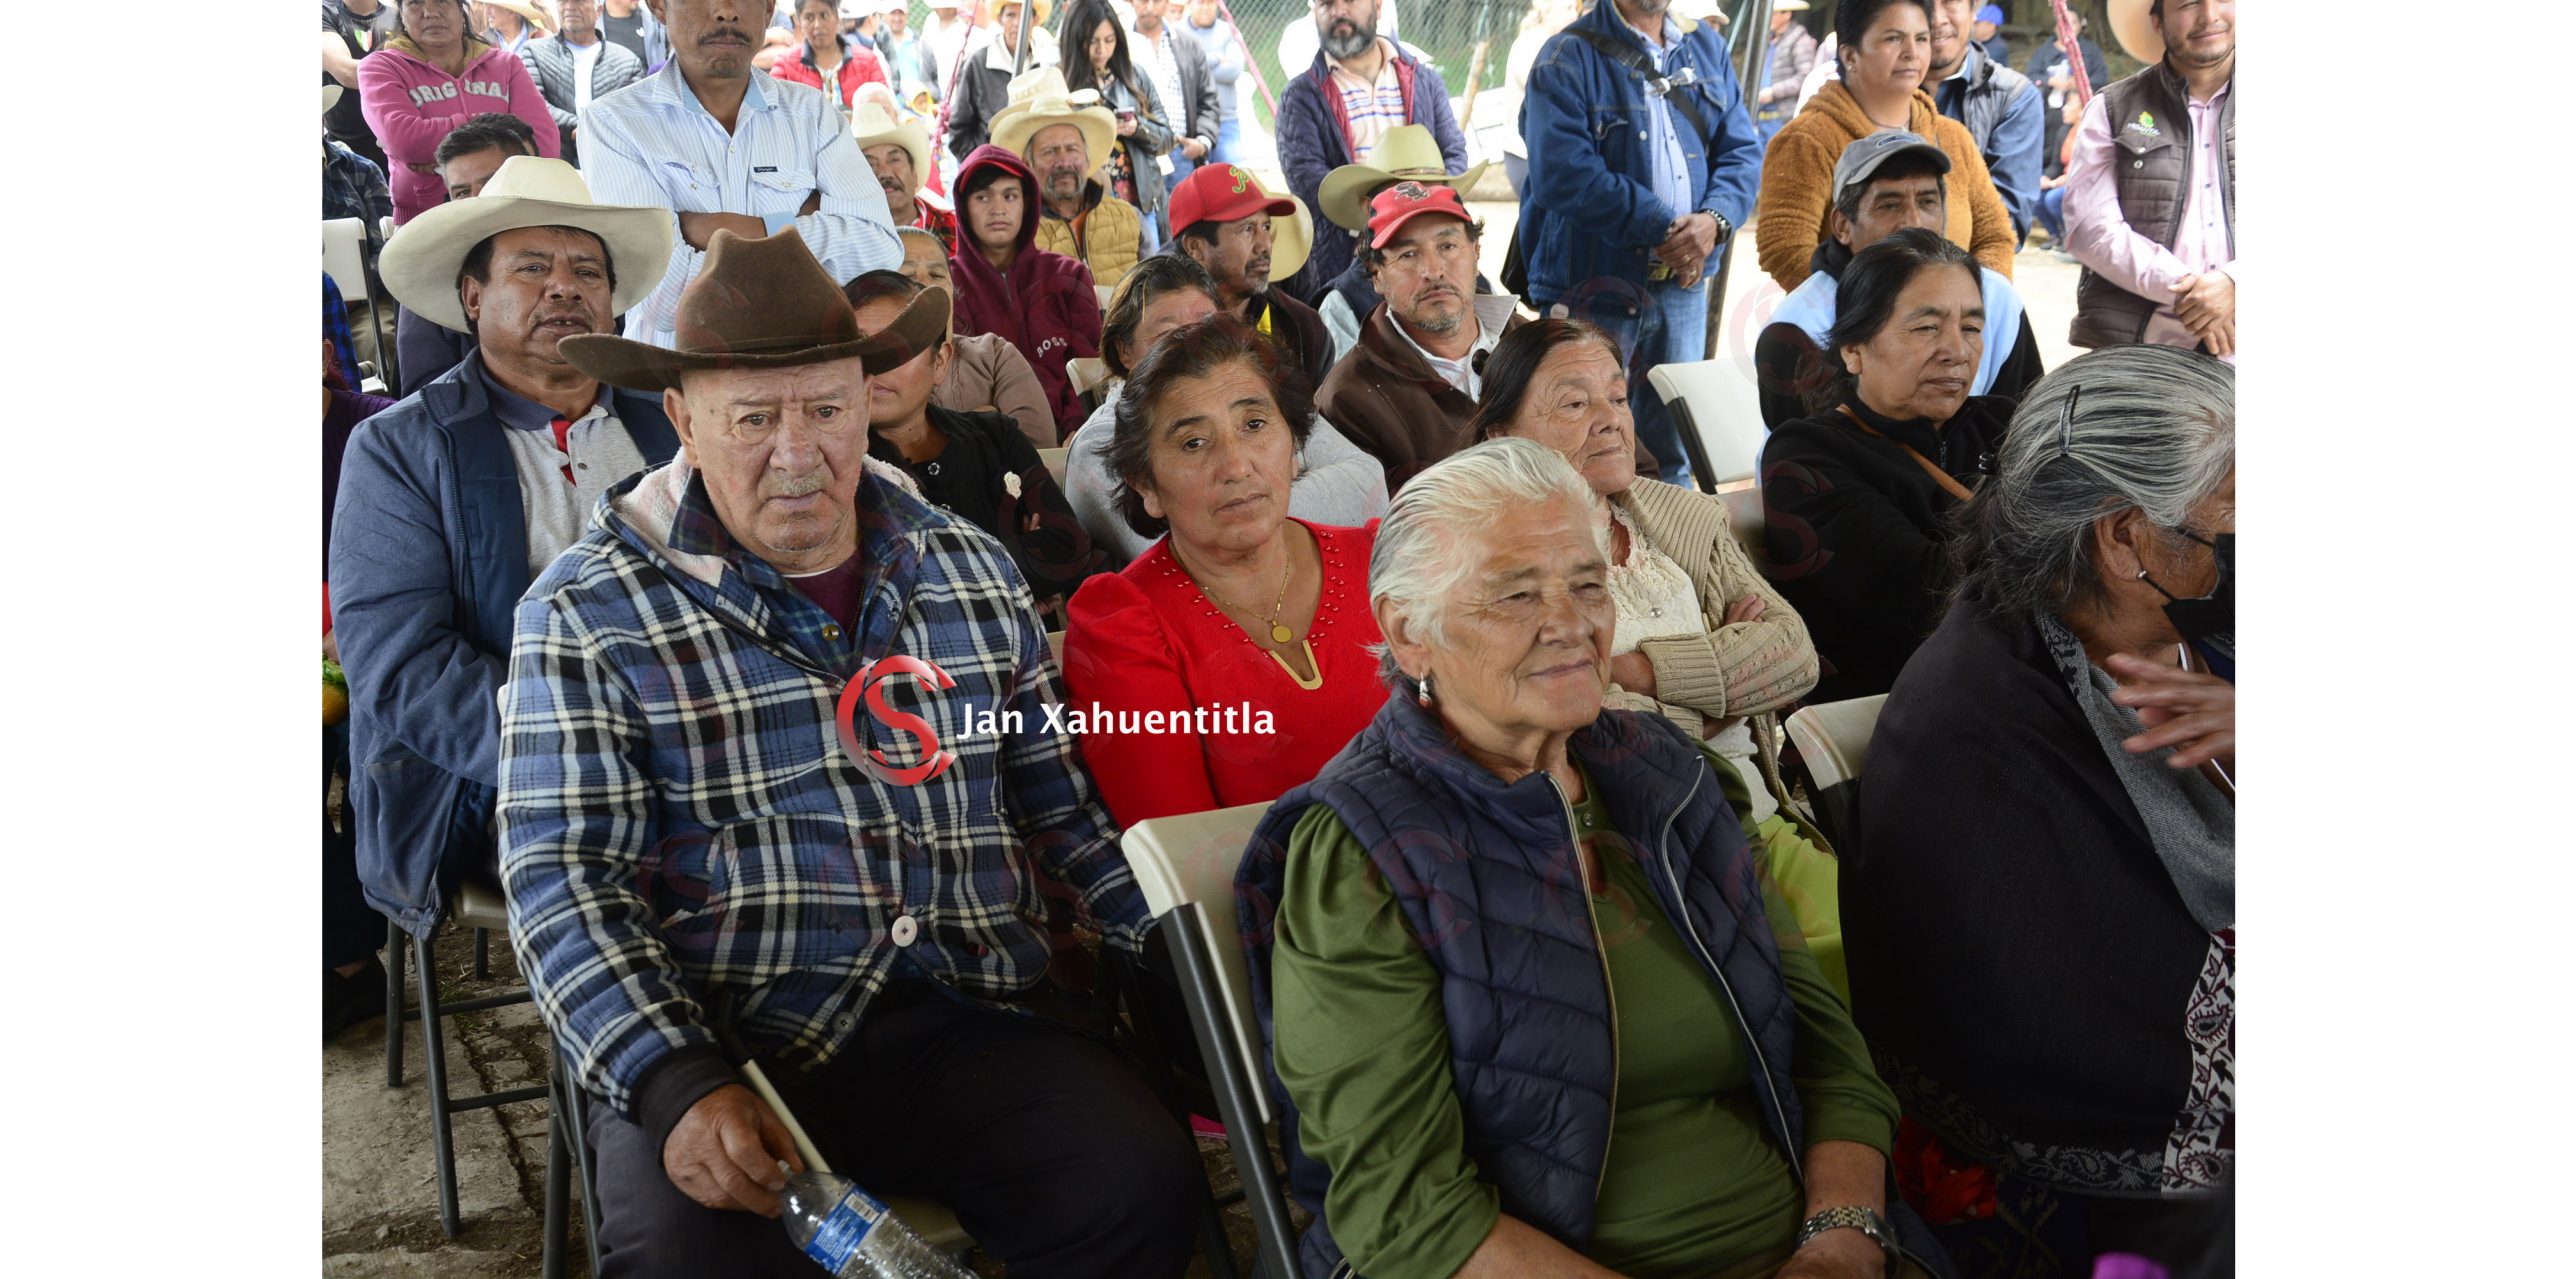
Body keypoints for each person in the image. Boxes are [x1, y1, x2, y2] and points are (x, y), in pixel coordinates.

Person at [495, 225, 1202, 1278]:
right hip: (730, 1037)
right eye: (753, 418)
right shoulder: (589, 610)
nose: (798, 451)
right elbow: (562, 884)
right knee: (696, 1263)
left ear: (864, 399)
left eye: (826, 409)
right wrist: (674, 1081)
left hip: (970, 1011)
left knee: (1137, 1187)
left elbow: (1058, 805)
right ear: (682, 419)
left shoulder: (962, 564)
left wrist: (1186, 950)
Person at [1235, 437, 1930, 1279]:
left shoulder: (1671, 778)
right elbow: (1406, 1213)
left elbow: (1826, 1045)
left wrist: (1842, 1237)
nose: (1570, 624)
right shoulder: (1363, 849)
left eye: (1588, 585)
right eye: (1515, 593)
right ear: (1408, 630)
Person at [1848, 345, 2232, 1278]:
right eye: (2234, 515)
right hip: (2114, 1173)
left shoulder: (2202, 624)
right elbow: (2083, 1014)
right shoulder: (1979, 725)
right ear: (2126, 537)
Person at [333, 156, 678, 950]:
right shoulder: (399, 447)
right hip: (503, 777)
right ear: (473, 295)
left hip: (692, 737)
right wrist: (585, 749)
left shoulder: (669, 421)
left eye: (587, 270)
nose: (566, 287)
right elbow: (400, 664)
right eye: (533, 268)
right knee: (677, 882)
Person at [1473, 319, 1819, 830]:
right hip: (1627, 852)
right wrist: (1717, 711)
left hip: (1753, 817)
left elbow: (1794, 655)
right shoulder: (1495, 560)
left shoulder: (1682, 518)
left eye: (1617, 398)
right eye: (1574, 404)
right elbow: (1589, 736)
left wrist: (1632, 670)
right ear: (1503, 434)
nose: (1610, 420)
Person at [1065, 315, 1388, 827]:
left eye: (1254, 425)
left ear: (1294, 448)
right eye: (1194, 443)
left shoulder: (1378, 561)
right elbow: (1186, 849)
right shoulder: (1122, 625)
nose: (1236, 466)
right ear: (1145, 484)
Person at [1521, 0, 1764, 492]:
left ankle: (1673, 562)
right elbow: (1562, 172)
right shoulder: (1563, 56)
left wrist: (1713, 223)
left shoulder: (1706, 47)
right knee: (1577, 446)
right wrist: (1664, 229)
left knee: (1674, 450)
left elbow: (1742, 152)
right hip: (1593, 285)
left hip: (1682, 288)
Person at [1761, 229, 2011, 702]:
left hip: (2011, 689)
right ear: (1853, 350)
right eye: (1926, 328)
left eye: (1971, 328)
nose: (1957, 351)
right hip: (1902, 714)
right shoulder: (1805, 457)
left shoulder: (2001, 423)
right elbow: (1928, 598)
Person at [580, 0, 905, 349]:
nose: (726, 11)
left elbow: (879, 249)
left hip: (801, 386)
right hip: (671, 390)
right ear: (659, 6)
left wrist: (729, 229)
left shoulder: (813, 115)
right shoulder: (614, 124)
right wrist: (801, 226)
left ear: (768, 7)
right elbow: (665, 299)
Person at [1066, 255, 1387, 562]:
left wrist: (1232, 514)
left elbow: (1367, 485)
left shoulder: (1262, 399)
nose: (1193, 346)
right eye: (1168, 335)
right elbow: (1177, 549)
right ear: (1124, 352)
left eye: (1209, 327)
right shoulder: (1098, 444)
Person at [847, 269, 1109, 613]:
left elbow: (1068, 551)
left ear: (939, 362)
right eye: (860, 345)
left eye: (897, 345)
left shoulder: (995, 436)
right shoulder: (843, 462)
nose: (875, 365)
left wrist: (932, 574)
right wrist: (1014, 570)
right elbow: (864, 589)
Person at [1757, 132, 2041, 430]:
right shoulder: (1799, 327)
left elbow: (2026, 428)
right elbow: (1814, 459)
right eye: (1889, 205)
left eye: (1927, 201)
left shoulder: (1995, 299)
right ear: (1842, 226)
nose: (1914, 221)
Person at [1756, 0, 2012, 291]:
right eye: (1893, 38)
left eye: (1921, 39)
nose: (1912, 53)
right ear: (1850, 54)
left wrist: (1969, 308)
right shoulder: (1807, 140)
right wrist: (1874, 316)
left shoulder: (1954, 137)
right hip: (1850, 330)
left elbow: (1994, 237)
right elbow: (1784, 248)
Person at [1315, 183, 1541, 495]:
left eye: (1447, 246)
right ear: (1376, 275)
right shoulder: (1349, 398)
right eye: (1408, 254)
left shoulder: (1540, 348)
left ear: (1476, 253)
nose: (1433, 271)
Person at [2063, 0, 2235, 360]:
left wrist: (2236, 283)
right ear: (2157, 20)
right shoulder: (2114, 108)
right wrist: (2192, 294)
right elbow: (2090, 227)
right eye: (2188, 3)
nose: (2209, 15)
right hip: (2140, 353)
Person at [1275, 0, 1468, 309]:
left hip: (1429, 250)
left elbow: (1454, 153)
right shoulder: (1300, 97)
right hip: (1347, 260)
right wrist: (1384, 219)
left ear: (1378, 6)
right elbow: (1308, 181)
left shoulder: (1424, 80)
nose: (1338, 11)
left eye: (1349, 1)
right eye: (1326, 4)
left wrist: (1422, 213)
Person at [948, 144, 1104, 435]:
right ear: (964, 209)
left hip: (1076, 437)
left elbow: (1091, 363)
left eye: (1010, 196)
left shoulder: (1068, 274)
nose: (998, 209)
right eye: (982, 197)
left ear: (1026, 204)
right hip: (988, 442)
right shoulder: (947, 282)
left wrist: (1077, 428)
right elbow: (956, 382)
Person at [361, 0, 561, 223]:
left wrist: (445, 153)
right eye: (415, 3)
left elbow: (545, 144)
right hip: (425, 220)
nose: (430, 12)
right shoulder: (380, 67)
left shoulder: (506, 65)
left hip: (513, 212)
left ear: (461, 9)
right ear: (402, 13)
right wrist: (507, 130)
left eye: (442, 1)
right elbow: (404, 139)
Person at [1308, 124, 1488, 365]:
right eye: (1403, 193)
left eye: (1431, 194)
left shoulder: (1478, 284)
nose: (1434, 270)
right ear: (1367, 207)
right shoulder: (1343, 304)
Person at [396, 114, 543, 394]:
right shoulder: (429, 275)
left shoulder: (582, 251)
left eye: (490, 185)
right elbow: (424, 392)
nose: (477, 201)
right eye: (462, 193)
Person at [1170, 164, 1333, 390]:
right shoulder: (1163, 332)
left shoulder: (1303, 328)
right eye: (1247, 229)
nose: (1265, 244)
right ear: (1196, 248)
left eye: (1266, 227)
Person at [898, 227, 1062, 444]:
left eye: (937, 275)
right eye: (906, 276)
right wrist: (987, 421)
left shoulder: (996, 355)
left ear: (953, 288)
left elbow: (1037, 448)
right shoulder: (874, 372)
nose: (926, 285)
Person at [991, 67, 1149, 287]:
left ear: (1086, 157)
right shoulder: (1015, 235)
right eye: (1049, 151)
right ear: (1027, 164)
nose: (1063, 162)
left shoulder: (1130, 218)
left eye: (1072, 149)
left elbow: (1155, 297)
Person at [1057, 0, 1175, 249]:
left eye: (1109, 40)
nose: (1102, 49)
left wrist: (1137, 128)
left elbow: (1167, 138)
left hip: (1140, 200)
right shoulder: (1059, 84)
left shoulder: (1134, 77)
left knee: (1150, 278)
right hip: (1088, 206)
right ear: (1075, 39)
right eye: (1093, 41)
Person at [1922, 0, 2040, 244]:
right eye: (1921, 2)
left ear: (1973, 8)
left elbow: (2006, 224)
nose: (1936, 18)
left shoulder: (2012, 97)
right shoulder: (1873, 87)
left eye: (1950, 2)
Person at [324, 85, 403, 380]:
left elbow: (384, 251)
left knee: (379, 337)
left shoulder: (361, 171)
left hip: (361, 304)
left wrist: (351, 294)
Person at [522, 0, 646, 165]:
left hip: (610, 158)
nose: (570, 7)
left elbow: (631, 112)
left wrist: (593, 130)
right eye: (563, 1)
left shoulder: (626, 61)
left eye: (579, 1)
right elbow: (534, 104)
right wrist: (576, 127)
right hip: (555, 157)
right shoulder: (534, 51)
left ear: (599, 10)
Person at [945, 0, 1059, 163]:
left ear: (1035, 20)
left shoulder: (1044, 64)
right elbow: (959, 129)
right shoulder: (978, 63)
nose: (1017, 23)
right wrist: (980, 166)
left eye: (1024, 15)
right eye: (1011, 15)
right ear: (1000, 19)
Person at [1125, 0, 1220, 192]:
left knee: (1185, 219)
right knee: (1145, 221)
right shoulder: (1120, 46)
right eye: (1143, 0)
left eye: (1157, 1)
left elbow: (1207, 99)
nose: (1150, 7)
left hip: (1182, 151)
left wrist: (1202, 142)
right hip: (1137, 154)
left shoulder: (1188, 46)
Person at [851, 98, 961, 249]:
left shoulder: (955, 230)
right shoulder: (847, 243)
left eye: (894, 160)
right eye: (870, 165)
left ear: (914, 174)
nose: (885, 173)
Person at [768, 0, 891, 106]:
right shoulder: (785, 65)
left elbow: (886, 110)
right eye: (809, 17)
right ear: (799, 21)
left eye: (824, 15)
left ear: (837, 17)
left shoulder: (868, 62)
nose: (818, 25)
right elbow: (773, 111)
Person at [325, 0, 400, 172]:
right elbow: (347, 72)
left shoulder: (399, 16)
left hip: (398, 146)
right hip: (347, 150)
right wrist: (403, 74)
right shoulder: (325, 13)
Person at [1180, 0, 1246, 164]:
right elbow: (1181, 73)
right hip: (1190, 126)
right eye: (1200, 2)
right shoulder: (1178, 32)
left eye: (1210, 2)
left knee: (1235, 178)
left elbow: (1234, 69)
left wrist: (1196, 68)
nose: (1205, 8)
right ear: (1189, 4)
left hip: (1226, 121)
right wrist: (1216, 58)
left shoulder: (1227, 30)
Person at [2030, 58, 2083, 253]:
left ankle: (2073, 242)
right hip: (2062, 179)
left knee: (2053, 199)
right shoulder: (2064, 131)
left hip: (2078, 182)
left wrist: (2060, 181)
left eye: (2070, 106)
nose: (2064, 109)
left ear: (2082, 110)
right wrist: (2046, 177)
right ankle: (2056, 236)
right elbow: (2055, 163)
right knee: (2035, 195)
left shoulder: (2089, 134)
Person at [1756, 0, 1820, 141]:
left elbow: (1805, 78)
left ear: (1787, 15)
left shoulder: (1800, 40)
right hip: (1761, 117)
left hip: (1782, 118)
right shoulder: (1768, 40)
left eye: (1773, 14)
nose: (1769, 17)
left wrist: (1773, 92)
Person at [2022, 5, 2110, 92]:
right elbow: (2031, 76)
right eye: (2064, 22)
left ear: (2080, 27)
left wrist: (2079, 83)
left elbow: (2101, 77)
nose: (2068, 27)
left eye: (2073, 23)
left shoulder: (2091, 50)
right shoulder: (2043, 51)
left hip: (2081, 103)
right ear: (2056, 27)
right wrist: (2050, 81)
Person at [481, 0, 554, 54]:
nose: (487, 11)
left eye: (491, 5)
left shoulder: (543, 38)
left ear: (511, 12)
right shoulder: (481, 41)